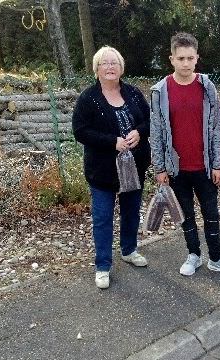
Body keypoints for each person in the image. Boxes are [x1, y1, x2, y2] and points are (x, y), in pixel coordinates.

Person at [150, 32, 220, 278]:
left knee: (211, 214)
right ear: (172, 59)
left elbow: (216, 128)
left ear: (197, 58)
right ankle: (193, 255)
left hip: (205, 166)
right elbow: (156, 131)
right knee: (186, 215)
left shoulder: (206, 87)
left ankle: (217, 258)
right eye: (181, 58)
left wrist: (219, 164)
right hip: (176, 169)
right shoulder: (160, 91)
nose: (186, 63)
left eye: (190, 58)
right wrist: (159, 168)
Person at [72, 46, 151, 289]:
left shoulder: (134, 93)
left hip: (134, 166)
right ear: (96, 69)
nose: (109, 67)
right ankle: (103, 265)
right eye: (104, 63)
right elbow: (80, 131)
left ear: (121, 67)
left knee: (131, 211)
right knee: (103, 218)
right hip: (102, 169)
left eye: (114, 63)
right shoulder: (88, 98)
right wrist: (111, 142)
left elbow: (149, 120)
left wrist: (139, 132)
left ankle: (128, 250)